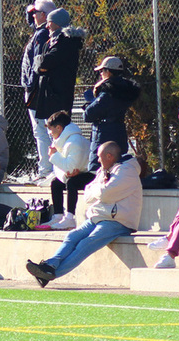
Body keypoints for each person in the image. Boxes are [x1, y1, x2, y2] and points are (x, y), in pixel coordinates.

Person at [25, 141, 143, 287]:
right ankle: (50, 265)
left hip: (119, 221)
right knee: (72, 236)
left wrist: (100, 191)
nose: (98, 161)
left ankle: (51, 274)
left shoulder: (127, 172)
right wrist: (100, 190)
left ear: (109, 156)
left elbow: (105, 194)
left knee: (86, 243)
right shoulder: (104, 170)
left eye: (100, 157)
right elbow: (88, 194)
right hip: (99, 216)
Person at [29, 7, 85, 182]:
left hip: (58, 93)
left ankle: (59, 169)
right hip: (50, 92)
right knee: (50, 131)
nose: (47, 26)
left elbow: (44, 62)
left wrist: (42, 65)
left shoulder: (66, 41)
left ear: (56, 22)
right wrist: (42, 65)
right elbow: (39, 65)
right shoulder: (53, 40)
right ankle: (54, 168)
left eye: (49, 22)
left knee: (57, 131)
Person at [82, 57, 141, 171]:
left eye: (102, 71)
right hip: (119, 130)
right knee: (118, 167)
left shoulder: (108, 92)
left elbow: (88, 115)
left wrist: (91, 101)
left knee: (97, 168)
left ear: (108, 72)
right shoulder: (126, 90)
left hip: (104, 133)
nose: (101, 74)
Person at [36, 110, 90, 231]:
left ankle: (70, 218)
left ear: (59, 128)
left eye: (51, 129)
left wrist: (54, 156)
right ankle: (58, 215)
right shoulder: (62, 141)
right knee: (56, 183)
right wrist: (66, 172)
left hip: (90, 174)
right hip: (78, 172)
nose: (49, 133)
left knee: (72, 182)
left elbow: (70, 168)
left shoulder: (74, 141)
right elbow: (64, 170)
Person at [21, 0, 56, 179]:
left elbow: (37, 63)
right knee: (44, 129)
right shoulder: (43, 33)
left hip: (37, 88)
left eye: (35, 13)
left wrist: (31, 86)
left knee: (41, 130)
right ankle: (48, 168)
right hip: (39, 87)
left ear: (43, 15)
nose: (32, 16)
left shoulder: (42, 35)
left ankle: (46, 170)